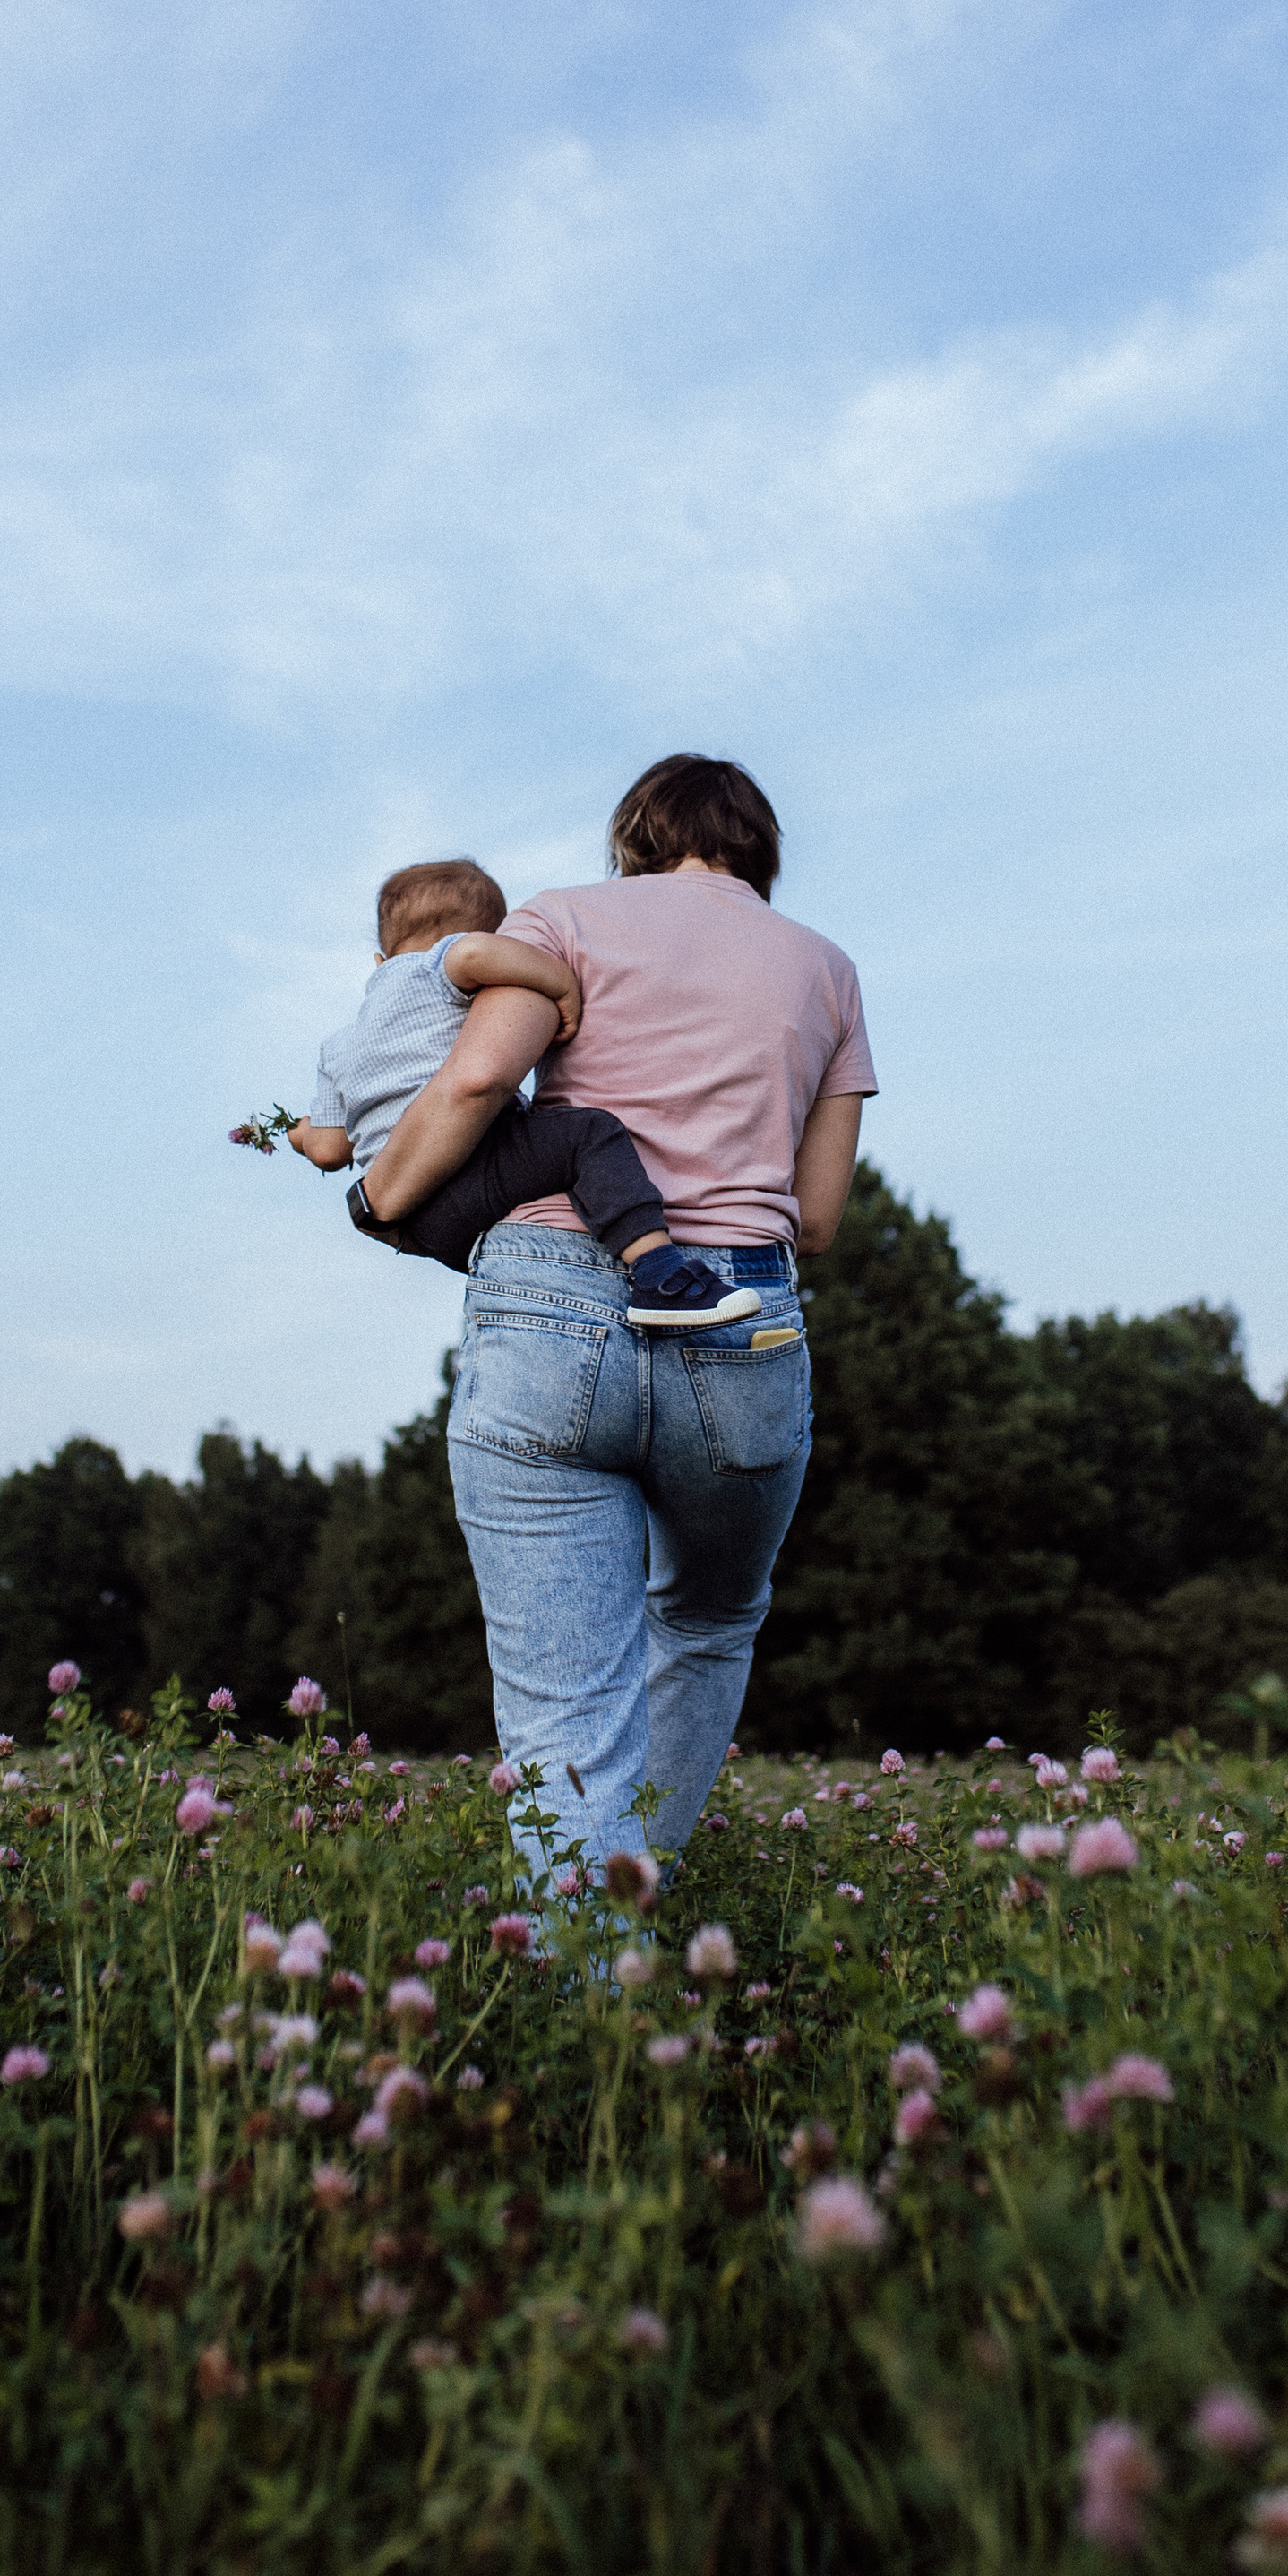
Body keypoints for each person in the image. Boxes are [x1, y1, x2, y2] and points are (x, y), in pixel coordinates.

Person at [356, 755, 873, 1885]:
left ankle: (586, 2009)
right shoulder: (829, 972)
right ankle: (635, 1908)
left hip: (550, 1302)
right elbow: (820, 1217)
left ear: (633, 835)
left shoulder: (561, 920)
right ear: (759, 850)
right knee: (706, 1619)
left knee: (564, 1709)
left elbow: (480, 1080)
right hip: (739, 1316)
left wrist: (385, 1193)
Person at [287, 855, 762, 1323]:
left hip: (420, 1223)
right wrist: (560, 986)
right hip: (470, 1165)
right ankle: (660, 1273)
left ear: (378, 960)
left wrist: (297, 1133)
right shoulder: (440, 965)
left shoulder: (336, 1046)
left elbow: (328, 1149)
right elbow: (475, 955)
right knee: (587, 1136)